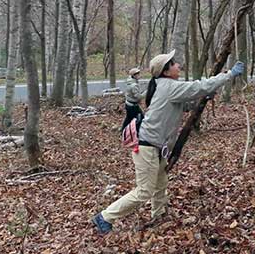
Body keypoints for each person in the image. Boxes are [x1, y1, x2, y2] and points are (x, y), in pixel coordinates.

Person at [92, 49, 244, 235]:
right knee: (144, 191)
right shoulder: (169, 86)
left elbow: (183, 104)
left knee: (161, 183)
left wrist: (203, 98)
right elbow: (200, 86)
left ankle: (159, 214)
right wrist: (229, 75)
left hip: (156, 146)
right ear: (165, 71)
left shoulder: (167, 87)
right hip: (147, 146)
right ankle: (105, 217)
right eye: (173, 64)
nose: (178, 65)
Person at [122, 67, 145, 133]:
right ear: (134, 76)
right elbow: (138, 97)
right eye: (138, 74)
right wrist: (146, 92)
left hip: (128, 104)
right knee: (139, 118)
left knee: (128, 119)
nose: (139, 76)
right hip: (132, 106)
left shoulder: (129, 81)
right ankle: (136, 133)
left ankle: (123, 131)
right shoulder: (134, 85)